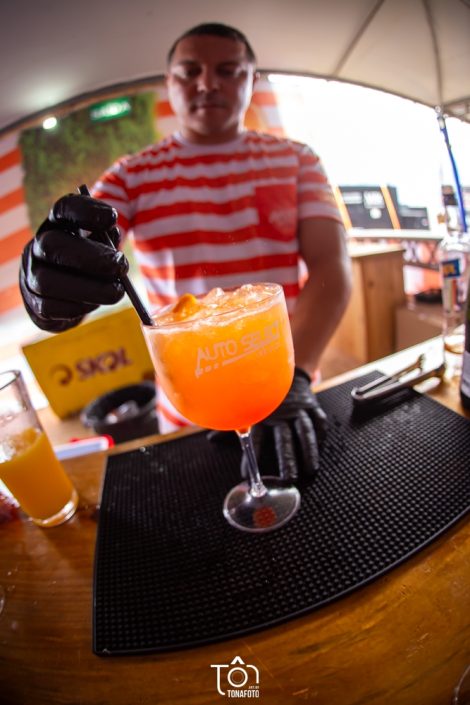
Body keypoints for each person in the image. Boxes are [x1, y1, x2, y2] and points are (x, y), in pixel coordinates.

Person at [19, 22, 352, 480]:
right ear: (169, 83)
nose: (208, 83)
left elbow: (332, 267)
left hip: (280, 385)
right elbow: (83, 241)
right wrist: (49, 281)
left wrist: (298, 375)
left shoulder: (298, 160)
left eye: (228, 70)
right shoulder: (131, 176)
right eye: (190, 71)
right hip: (190, 408)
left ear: (251, 79)